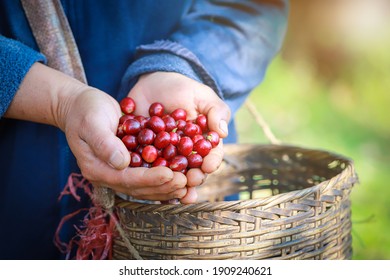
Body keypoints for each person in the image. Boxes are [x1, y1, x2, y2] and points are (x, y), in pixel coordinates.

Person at [0, 0, 289, 259]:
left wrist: (179, 66)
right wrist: (58, 101)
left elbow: (251, 7)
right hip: (18, 199)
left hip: (185, 220)